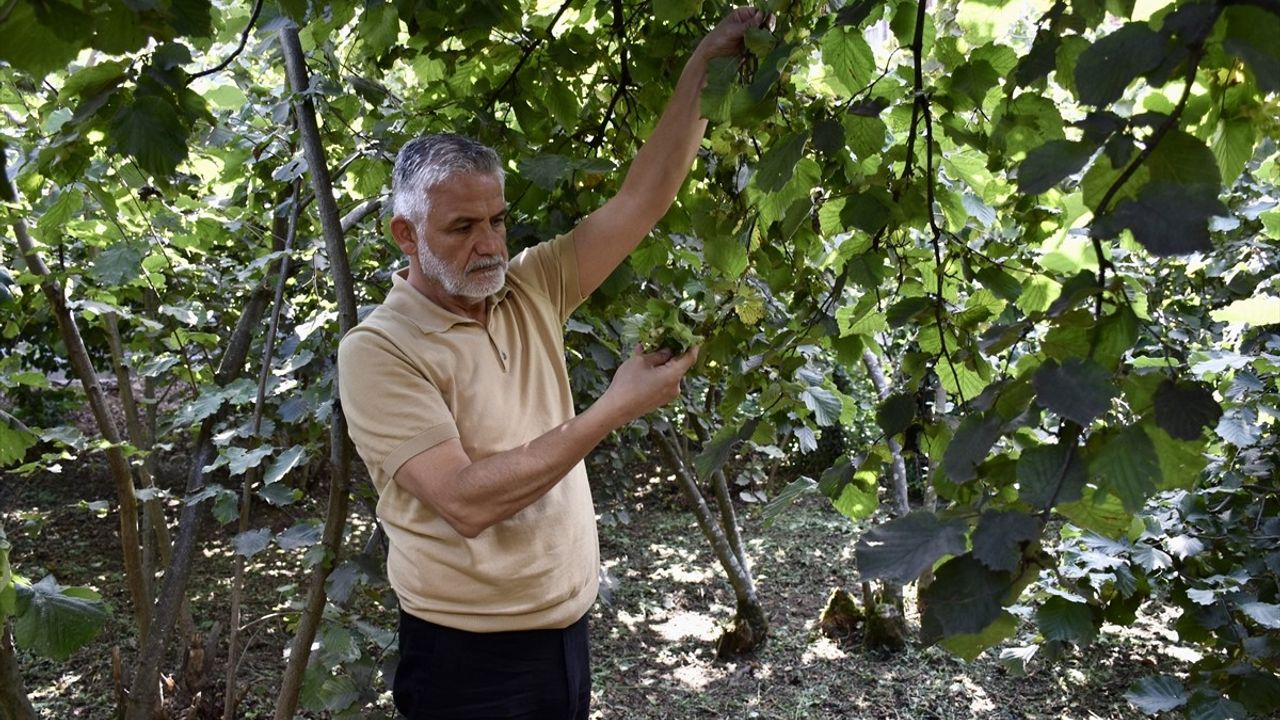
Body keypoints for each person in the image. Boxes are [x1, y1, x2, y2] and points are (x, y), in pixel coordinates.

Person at [337, 8, 764, 719]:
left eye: (498, 220)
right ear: (405, 235)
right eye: (463, 227)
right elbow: (467, 500)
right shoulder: (379, 350)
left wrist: (706, 60)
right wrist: (614, 408)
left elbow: (642, 198)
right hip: (465, 659)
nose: (491, 245)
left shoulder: (530, 286)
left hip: (566, 634)